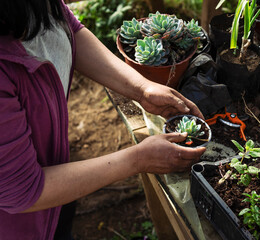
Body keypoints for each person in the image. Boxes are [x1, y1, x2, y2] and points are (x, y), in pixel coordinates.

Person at [0, 0, 206, 239]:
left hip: (56, 187)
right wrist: (137, 159)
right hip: (21, 226)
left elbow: (69, 27)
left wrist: (142, 89)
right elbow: (23, 189)